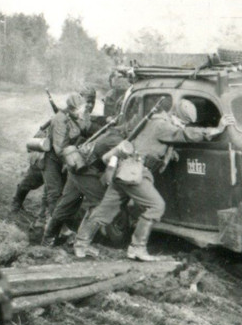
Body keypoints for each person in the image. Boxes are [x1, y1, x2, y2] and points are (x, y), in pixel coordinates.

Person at [73, 99, 232, 261]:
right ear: (174, 115)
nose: (182, 126)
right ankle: (137, 248)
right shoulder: (162, 125)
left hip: (125, 170)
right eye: (182, 122)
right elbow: (183, 134)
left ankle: (80, 245)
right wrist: (217, 129)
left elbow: (153, 144)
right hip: (134, 172)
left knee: (105, 210)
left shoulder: (157, 122)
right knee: (156, 206)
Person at [40, 122, 125, 250]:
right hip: (84, 171)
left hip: (76, 167)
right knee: (100, 203)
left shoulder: (111, 133)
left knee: (66, 205)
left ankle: (47, 239)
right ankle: (82, 243)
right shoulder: (117, 140)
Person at [42, 92, 91, 216]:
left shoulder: (79, 117)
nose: (82, 111)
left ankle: (56, 218)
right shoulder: (60, 120)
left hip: (68, 158)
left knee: (64, 192)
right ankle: (49, 221)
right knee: (54, 192)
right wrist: (74, 157)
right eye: (80, 109)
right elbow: (59, 148)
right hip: (53, 159)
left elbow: (87, 129)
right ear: (72, 109)